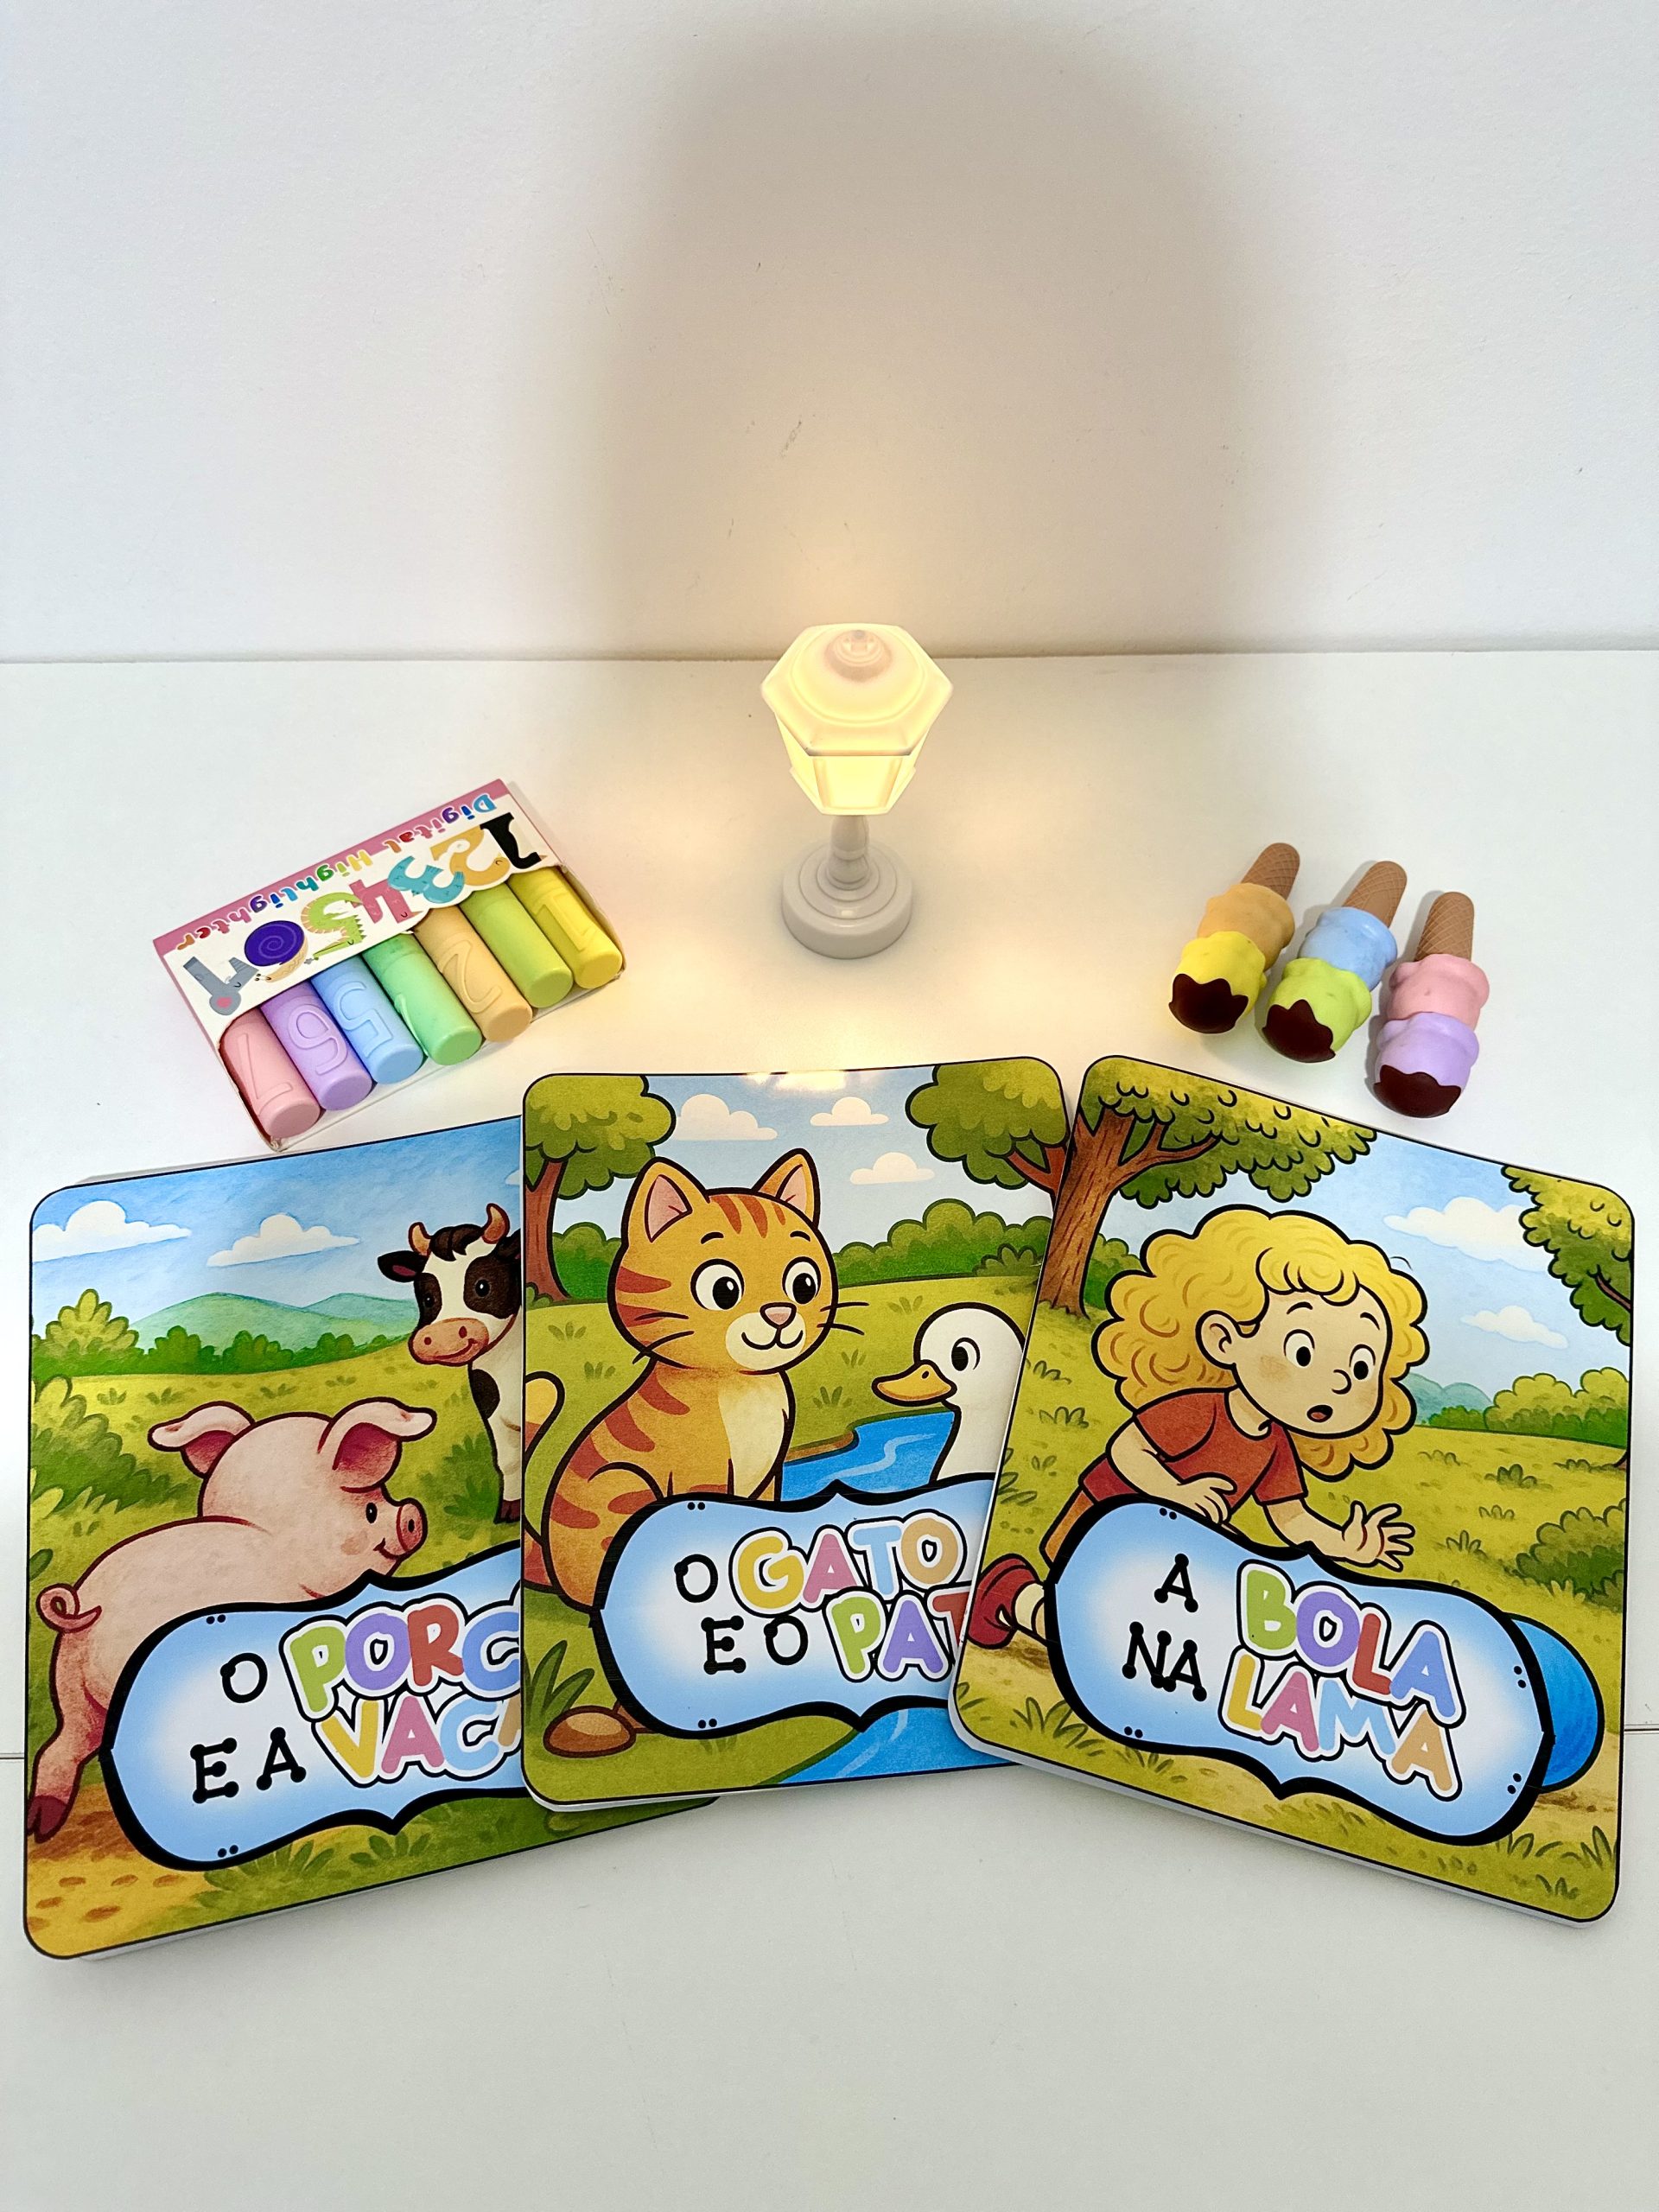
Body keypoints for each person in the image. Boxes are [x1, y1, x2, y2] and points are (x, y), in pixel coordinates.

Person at [969, 1206, 1427, 1650]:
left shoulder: (1275, 1445)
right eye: (1303, 1353)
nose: (1340, 1382)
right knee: (1082, 1629)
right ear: (1224, 1340)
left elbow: (1291, 1517)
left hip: (1171, 1547)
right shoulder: (1197, 1412)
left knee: (1147, 1628)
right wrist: (1173, 1491)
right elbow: (1127, 1449)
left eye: (1361, 1367)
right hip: (1107, 1519)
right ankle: (1013, 1592)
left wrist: (1343, 1543)